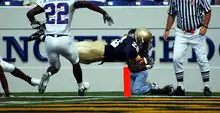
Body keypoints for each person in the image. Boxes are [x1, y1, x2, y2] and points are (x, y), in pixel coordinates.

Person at [26, 0, 114, 96]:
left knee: (55, 67)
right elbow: (86, 4)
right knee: (75, 62)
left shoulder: (46, 0)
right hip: (64, 38)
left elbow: (29, 14)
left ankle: (48, 74)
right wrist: (104, 12)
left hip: (49, 39)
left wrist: (36, 24)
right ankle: (81, 87)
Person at [28, 28, 173, 95]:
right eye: (146, 42)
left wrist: (143, 55)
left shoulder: (131, 36)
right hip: (96, 53)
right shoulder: (131, 49)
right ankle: (44, 36)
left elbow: (132, 32)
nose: (147, 44)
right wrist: (147, 63)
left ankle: (44, 37)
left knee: (68, 51)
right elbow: (133, 68)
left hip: (99, 46)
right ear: (140, 40)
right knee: (67, 51)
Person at [163, 0, 212, 96]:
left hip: (196, 31)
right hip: (181, 32)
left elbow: (208, 11)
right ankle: (180, 86)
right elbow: (171, 14)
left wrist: (205, 26)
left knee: (202, 59)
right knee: (176, 58)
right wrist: (167, 29)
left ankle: (206, 87)